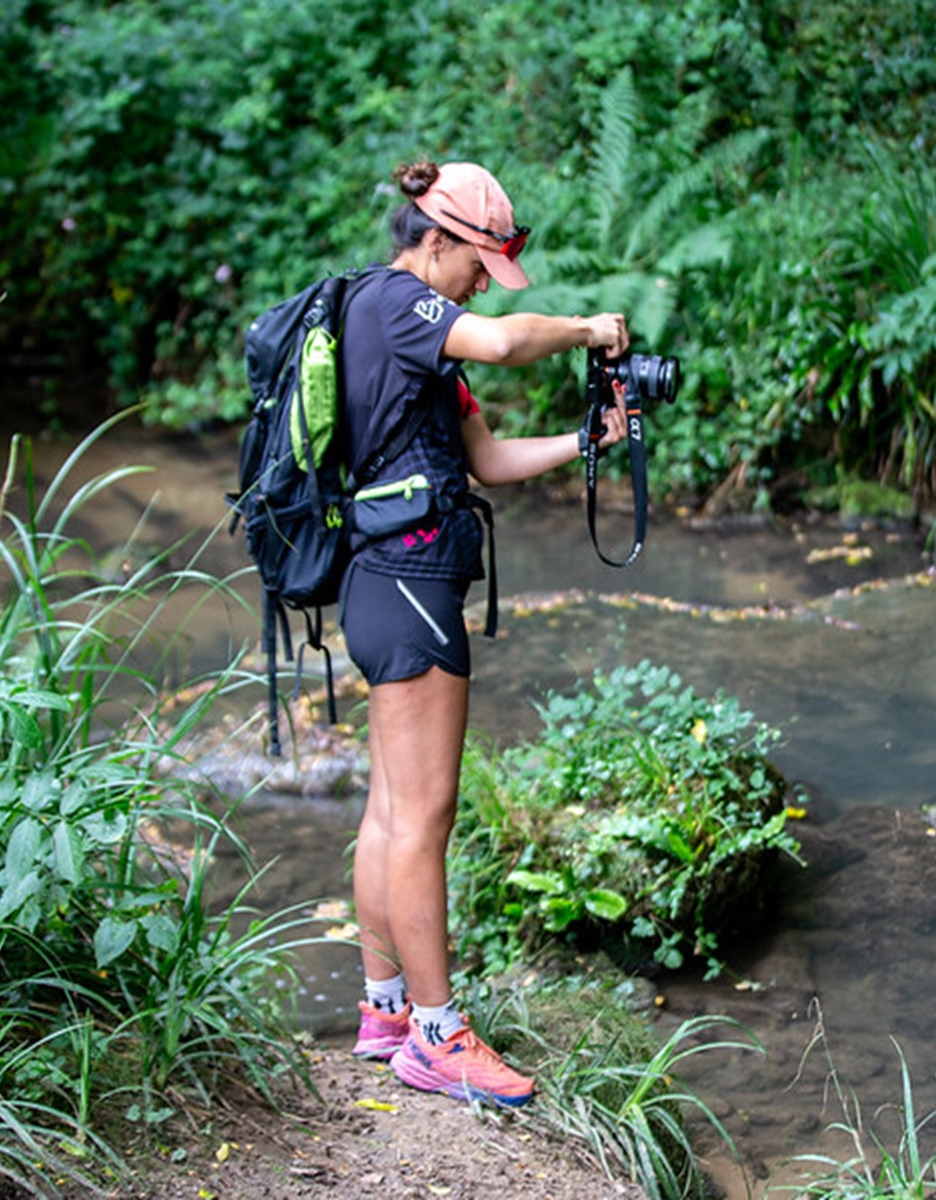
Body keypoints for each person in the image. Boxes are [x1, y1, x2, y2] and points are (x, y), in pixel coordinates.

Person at [338, 158, 629, 1107]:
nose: (478, 284)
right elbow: (504, 343)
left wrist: (593, 443)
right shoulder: (392, 305)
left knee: (390, 809)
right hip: (408, 581)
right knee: (425, 818)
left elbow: (491, 460)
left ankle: (385, 1011)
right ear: (436, 241)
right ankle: (438, 1033)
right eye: (476, 266)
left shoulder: (421, 347)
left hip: (390, 581)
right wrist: (589, 330)